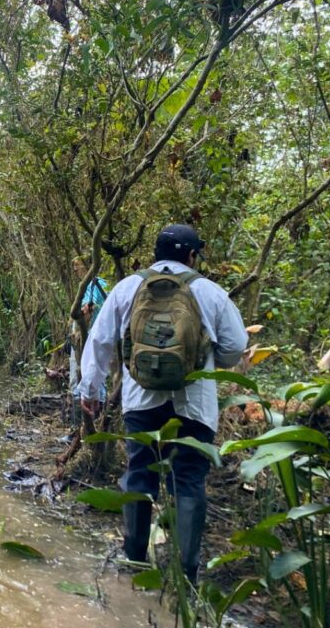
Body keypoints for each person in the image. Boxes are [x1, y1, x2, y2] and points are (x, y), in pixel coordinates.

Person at [79, 224, 248, 584]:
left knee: (140, 473)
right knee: (188, 479)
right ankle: (186, 574)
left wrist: (89, 390)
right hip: (195, 404)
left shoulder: (128, 287)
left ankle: (134, 562)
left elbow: (100, 340)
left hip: (141, 400)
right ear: (192, 255)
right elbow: (234, 348)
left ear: (154, 254)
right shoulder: (210, 291)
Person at [68, 256, 109, 407]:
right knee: (97, 368)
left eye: (77, 265)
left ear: (88, 266)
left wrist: (77, 331)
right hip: (100, 333)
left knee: (83, 367)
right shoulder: (102, 284)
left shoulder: (93, 285)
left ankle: (80, 405)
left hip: (88, 333)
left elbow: (87, 310)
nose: (75, 269)